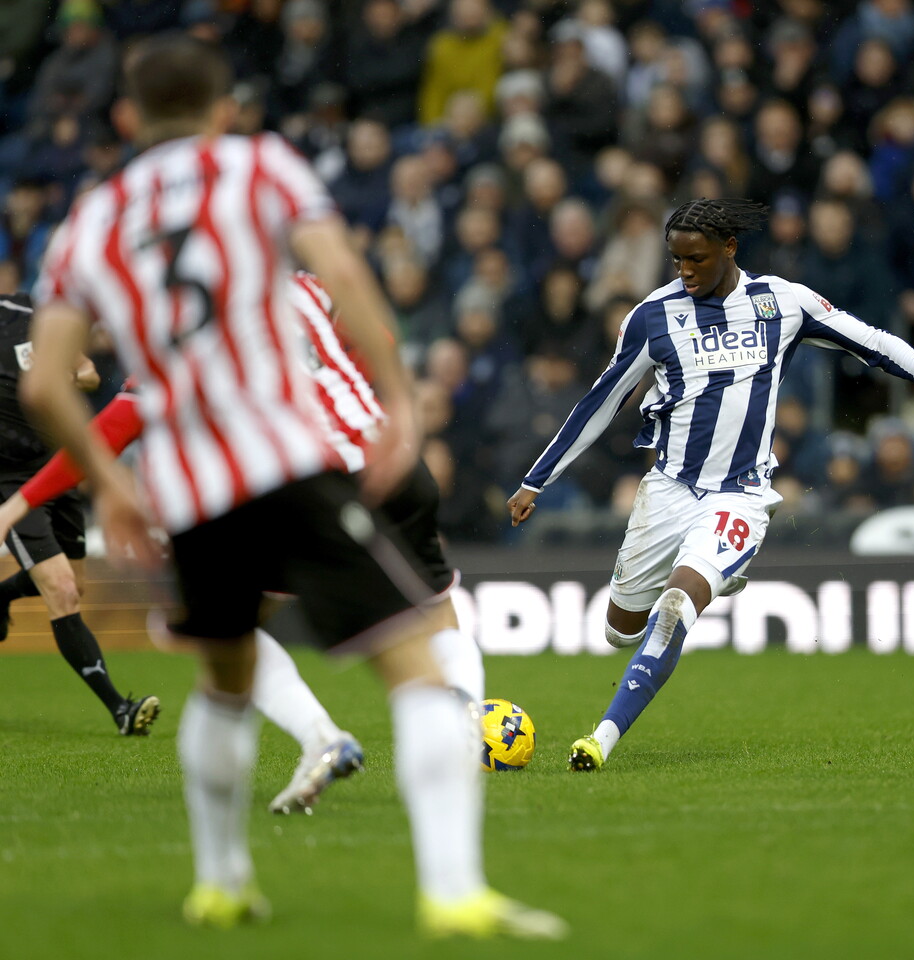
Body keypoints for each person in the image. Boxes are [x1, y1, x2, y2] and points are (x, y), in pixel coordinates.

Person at [24, 34, 563, 939]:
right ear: (225, 109)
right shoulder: (258, 168)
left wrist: (113, 486)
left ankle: (223, 883)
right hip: (285, 456)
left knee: (226, 679)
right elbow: (343, 275)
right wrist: (397, 398)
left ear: (125, 118)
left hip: (193, 487)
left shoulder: (91, 219)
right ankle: (454, 891)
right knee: (418, 659)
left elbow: (47, 385)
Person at [506, 197, 914, 771]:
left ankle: (602, 738)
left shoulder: (781, 302)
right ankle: (711, 568)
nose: (684, 271)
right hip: (668, 490)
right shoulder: (652, 318)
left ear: (730, 249)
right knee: (619, 629)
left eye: (697, 259)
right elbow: (599, 404)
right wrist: (536, 480)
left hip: (741, 492)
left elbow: (869, 339)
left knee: (677, 604)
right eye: (676, 260)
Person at [0, 272, 488, 816]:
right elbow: (381, 338)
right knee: (434, 608)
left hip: (313, 482)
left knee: (230, 625)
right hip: (391, 461)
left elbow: (113, 428)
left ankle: (319, 736)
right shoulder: (303, 284)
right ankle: (468, 725)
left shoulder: (189, 324)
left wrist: (19, 503)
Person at [0, 292, 159, 736]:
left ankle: (1, 596)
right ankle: (120, 709)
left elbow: (87, 373)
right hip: (8, 482)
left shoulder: (25, 316)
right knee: (63, 591)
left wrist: (73, 373)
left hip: (54, 467)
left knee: (77, 583)